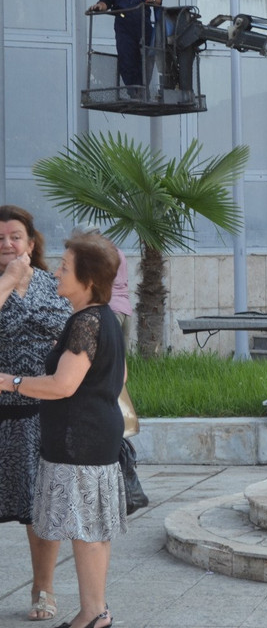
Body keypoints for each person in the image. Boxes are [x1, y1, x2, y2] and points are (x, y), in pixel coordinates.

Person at [0, 232, 127, 628]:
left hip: (80, 442)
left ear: (87, 280)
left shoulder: (85, 322)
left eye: (64, 268)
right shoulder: (100, 318)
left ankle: (92, 613)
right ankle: (97, 610)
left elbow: (61, 386)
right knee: (94, 530)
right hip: (96, 437)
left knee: (86, 531)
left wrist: (9, 381)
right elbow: (117, 375)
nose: (55, 272)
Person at [0, 206, 71, 622]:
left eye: (15, 236)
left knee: (42, 508)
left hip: (44, 414)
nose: (7, 244)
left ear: (31, 243)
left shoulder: (53, 284)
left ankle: (43, 587)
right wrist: (7, 281)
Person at [88, 0, 162, 88]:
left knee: (147, 59)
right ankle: (133, 90)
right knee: (126, 59)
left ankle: (143, 89)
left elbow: (158, 0)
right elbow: (105, 2)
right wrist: (99, 6)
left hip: (143, 27)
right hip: (124, 29)